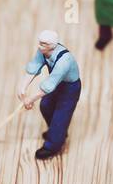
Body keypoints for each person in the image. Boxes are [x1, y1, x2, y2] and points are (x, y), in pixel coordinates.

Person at [18, 29, 81, 160]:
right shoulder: (42, 51)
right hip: (56, 85)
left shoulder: (64, 60)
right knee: (45, 106)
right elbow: (34, 67)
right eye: (39, 43)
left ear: (52, 45)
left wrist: (31, 99)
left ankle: (53, 145)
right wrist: (22, 87)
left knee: (60, 116)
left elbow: (49, 84)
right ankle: (57, 132)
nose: (39, 46)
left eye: (43, 44)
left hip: (69, 89)